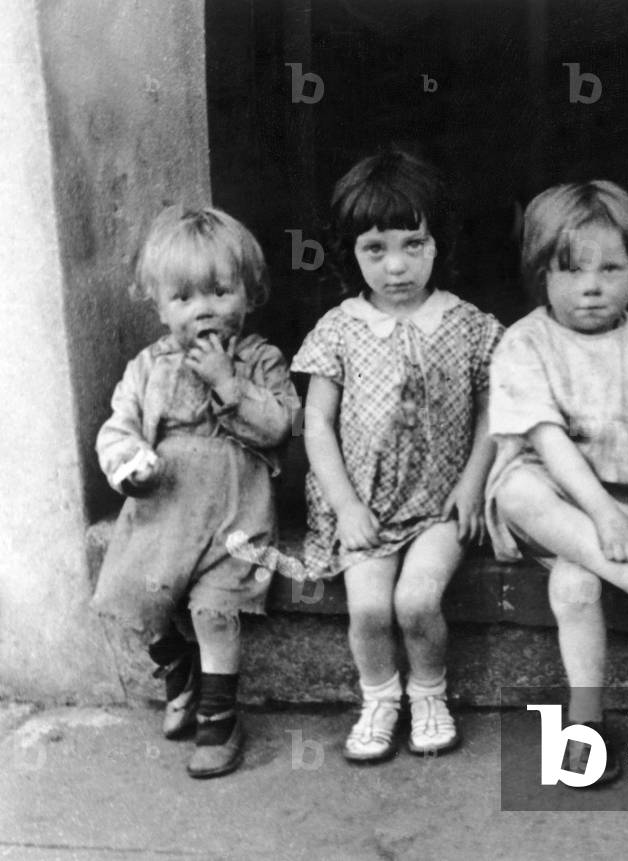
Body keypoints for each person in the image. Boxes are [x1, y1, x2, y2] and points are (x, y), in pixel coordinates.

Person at [293, 149, 503, 763]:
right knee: (367, 607)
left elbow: (495, 408)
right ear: (349, 252)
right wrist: (346, 506)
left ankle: (430, 694)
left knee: (415, 601)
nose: (397, 266)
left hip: (439, 505)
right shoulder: (340, 328)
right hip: (366, 505)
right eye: (375, 249)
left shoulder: (466, 325)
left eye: (415, 243)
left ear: (440, 242)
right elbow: (318, 424)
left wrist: (472, 483)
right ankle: (380, 697)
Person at [485, 180, 628, 786]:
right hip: (551, 509)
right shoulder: (524, 343)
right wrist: (600, 515)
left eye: (612, 267)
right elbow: (546, 441)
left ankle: (586, 724)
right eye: (571, 269)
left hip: (624, 516)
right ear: (541, 273)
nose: (593, 285)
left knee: (576, 590)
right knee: (516, 487)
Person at [92, 206, 301, 779]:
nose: (204, 307)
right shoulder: (147, 367)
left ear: (250, 293)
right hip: (163, 508)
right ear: (159, 306)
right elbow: (119, 427)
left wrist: (228, 384)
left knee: (214, 610)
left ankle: (219, 715)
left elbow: (282, 424)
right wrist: (130, 465)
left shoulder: (259, 360)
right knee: (136, 597)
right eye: (184, 298)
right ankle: (175, 665)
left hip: (235, 507)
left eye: (220, 290)